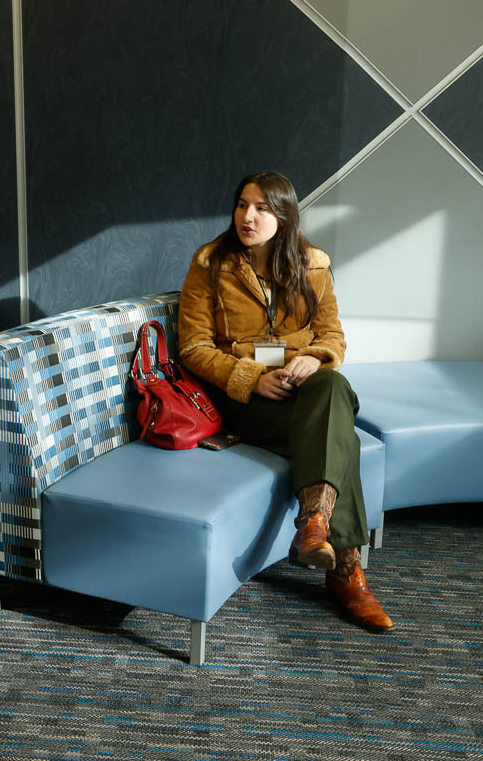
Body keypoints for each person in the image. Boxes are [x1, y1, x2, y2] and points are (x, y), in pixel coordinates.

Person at [177, 170, 393, 632]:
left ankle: (314, 523)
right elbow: (193, 348)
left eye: (261, 208)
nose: (248, 216)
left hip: (302, 390)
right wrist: (252, 379)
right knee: (342, 437)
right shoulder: (210, 264)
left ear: (285, 216)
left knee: (331, 387)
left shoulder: (313, 266)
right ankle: (347, 574)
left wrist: (316, 358)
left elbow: (332, 335)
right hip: (242, 401)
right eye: (242, 205)